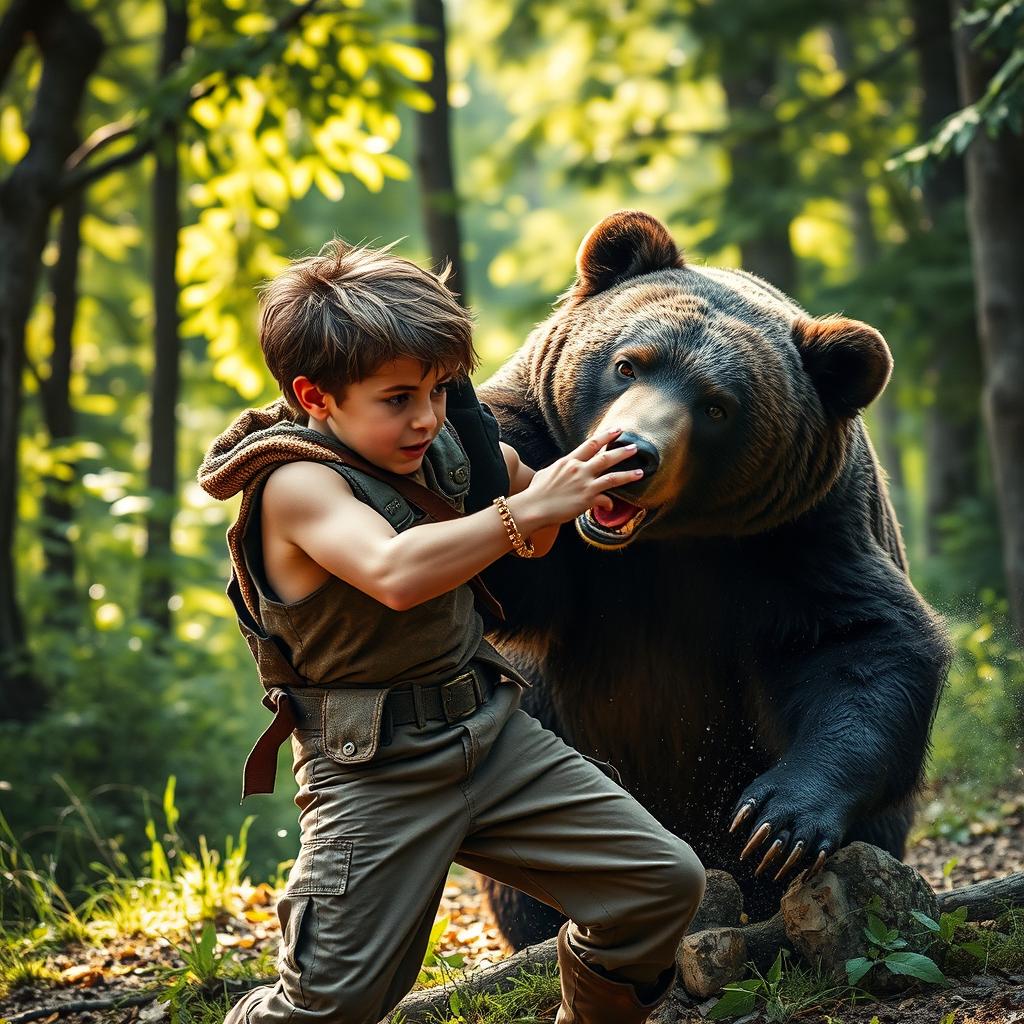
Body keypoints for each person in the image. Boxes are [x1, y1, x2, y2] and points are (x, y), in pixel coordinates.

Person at [197, 238, 706, 1024]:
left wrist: (577, 489)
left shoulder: (448, 449)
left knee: (660, 886)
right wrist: (523, 511)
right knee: (334, 1006)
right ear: (316, 394)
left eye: (438, 390)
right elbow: (396, 572)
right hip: (375, 771)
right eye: (396, 398)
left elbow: (533, 533)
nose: (425, 417)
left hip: (491, 733)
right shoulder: (296, 483)